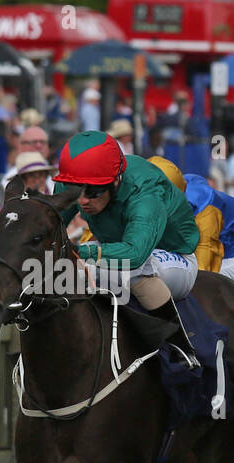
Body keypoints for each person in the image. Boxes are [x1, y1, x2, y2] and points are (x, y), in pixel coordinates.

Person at [53, 130, 201, 369]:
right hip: (115, 246)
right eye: (75, 190)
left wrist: (82, 253)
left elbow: (135, 253)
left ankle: (181, 349)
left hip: (170, 255)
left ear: (115, 181)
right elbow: (50, 221)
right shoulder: (80, 178)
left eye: (92, 191)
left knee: (133, 271)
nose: (82, 200)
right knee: (56, 268)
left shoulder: (145, 191)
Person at [148, 155, 234, 286]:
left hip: (227, 257)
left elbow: (205, 255)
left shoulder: (205, 208)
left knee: (201, 287)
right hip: (186, 250)